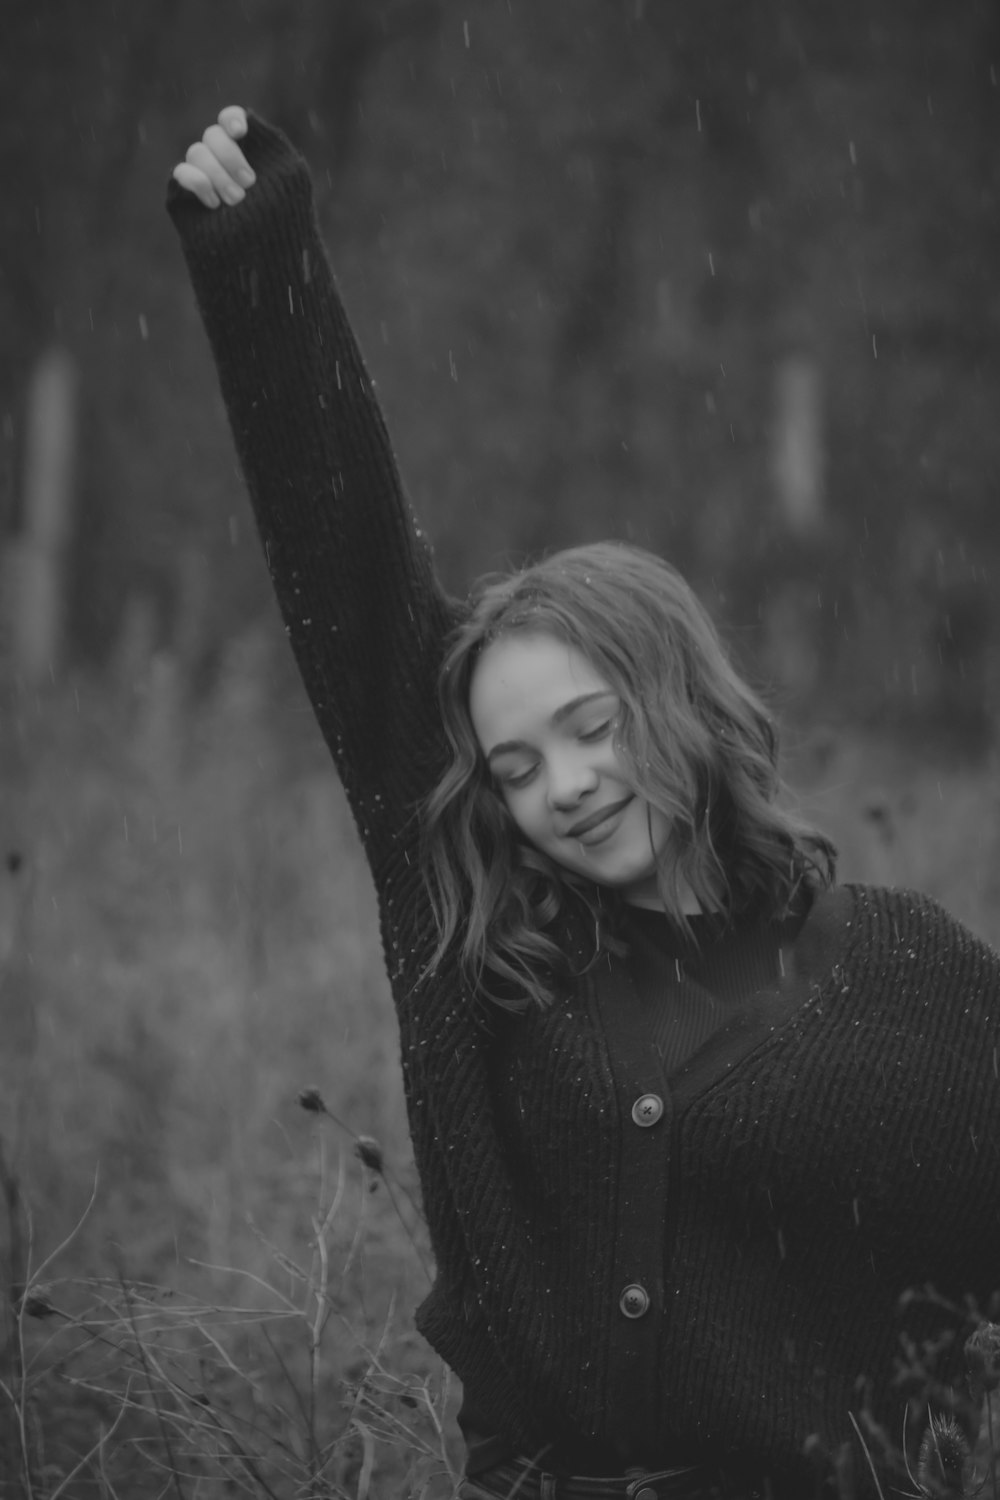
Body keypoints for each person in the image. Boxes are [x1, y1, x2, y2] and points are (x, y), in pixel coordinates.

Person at [169, 108, 1000, 1500]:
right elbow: (350, 568)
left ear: (679, 700)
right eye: (515, 766)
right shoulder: (491, 962)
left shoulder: (914, 976)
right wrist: (265, 273)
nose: (563, 786)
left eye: (590, 729)